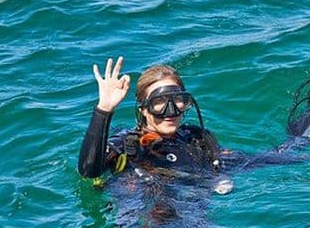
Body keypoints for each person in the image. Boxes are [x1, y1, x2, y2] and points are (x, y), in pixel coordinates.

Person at [78, 57, 222, 179]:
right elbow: (88, 172)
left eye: (177, 99)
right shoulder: (127, 146)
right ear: (144, 110)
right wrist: (104, 110)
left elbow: (238, 164)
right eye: (159, 102)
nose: (170, 111)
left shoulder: (196, 139)